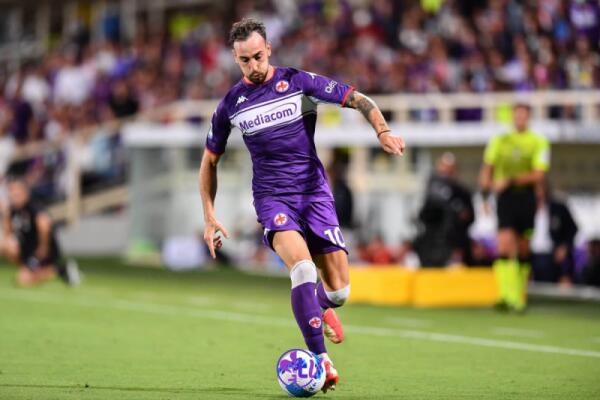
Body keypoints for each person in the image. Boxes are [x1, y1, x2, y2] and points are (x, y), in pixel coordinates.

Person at [198, 19, 405, 393]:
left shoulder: (299, 82)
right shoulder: (231, 104)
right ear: (235, 58)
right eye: (245, 60)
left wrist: (383, 130)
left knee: (339, 292)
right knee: (303, 268)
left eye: (258, 56)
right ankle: (321, 360)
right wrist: (209, 215)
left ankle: (319, 307)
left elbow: (359, 99)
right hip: (273, 198)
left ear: (269, 49)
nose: (253, 66)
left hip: (315, 195)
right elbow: (210, 160)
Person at [479, 104, 550, 312]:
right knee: (504, 244)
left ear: (528, 118)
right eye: (517, 115)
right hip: (506, 199)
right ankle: (505, 295)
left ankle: (519, 296)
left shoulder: (538, 141)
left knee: (524, 247)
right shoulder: (499, 140)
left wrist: (510, 180)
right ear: (512, 117)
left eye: (523, 116)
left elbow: (539, 174)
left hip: (526, 197)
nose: (520, 119)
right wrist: (485, 196)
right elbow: (487, 169)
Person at [0, 178, 80, 286]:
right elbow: (8, 231)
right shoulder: (13, 209)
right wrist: (6, 214)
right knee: (6, 245)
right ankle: (30, 271)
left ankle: (59, 270)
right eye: (12, 192)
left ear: (25, 192)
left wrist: (43, 248)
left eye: (17, 192)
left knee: (23, 281)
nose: (14, 195)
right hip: (27, 249)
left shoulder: (33, 206)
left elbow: (44, 224)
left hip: (41, 251)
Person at [414, 152, 474, 266]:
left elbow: (469, 217)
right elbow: (425, 215)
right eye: (444, 167)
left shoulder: (462, 191)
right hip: (431, 244)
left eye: (450, 168)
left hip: (454, 243)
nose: (447, 171)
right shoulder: (432, 188)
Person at [530, 181, 578, 285]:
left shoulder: (558, 208)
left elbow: (572, 229)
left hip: (551, 256)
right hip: (531, 256)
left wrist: (564, 247)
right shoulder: (526, 208)